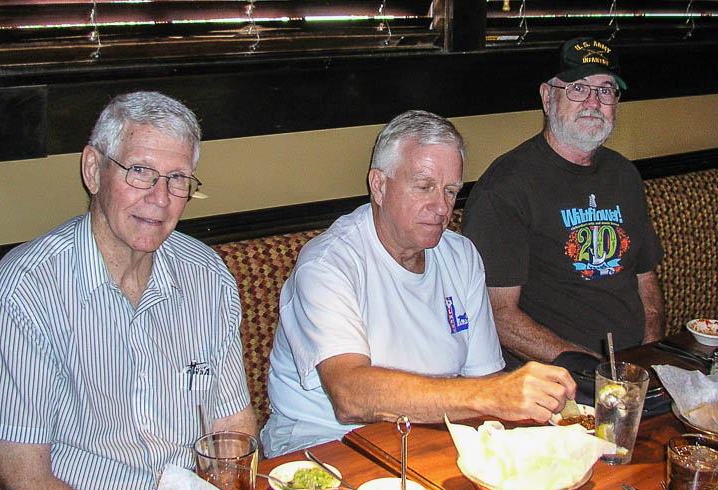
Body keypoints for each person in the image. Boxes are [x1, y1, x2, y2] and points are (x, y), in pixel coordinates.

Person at [0, 91, 257, 490]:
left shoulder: (207, 277)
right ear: (94, 170)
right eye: (140, 172)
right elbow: (23, 485)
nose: (161, 198)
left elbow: (232, 430)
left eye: (178, 178)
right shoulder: (26, 290)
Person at [261, 109, 576, 457]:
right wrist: (491, 395)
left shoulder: (461, 256)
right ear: (379, 186)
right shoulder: (329, 264)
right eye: (424, 187)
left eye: (451, 191)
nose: (442, 207)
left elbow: (485, 377)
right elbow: (348, 395)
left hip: (430, 436)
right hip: (325, 444)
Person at [461, 37, 664, 366]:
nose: (593, 102)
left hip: (631, 368)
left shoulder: (624, 175)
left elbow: (646, 278)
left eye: (606, 90)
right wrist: (595, 371)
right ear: (546, 97)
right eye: (578, 88)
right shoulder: (506, 186)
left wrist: (648, 356)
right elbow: (497, 316)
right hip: (555, 378)